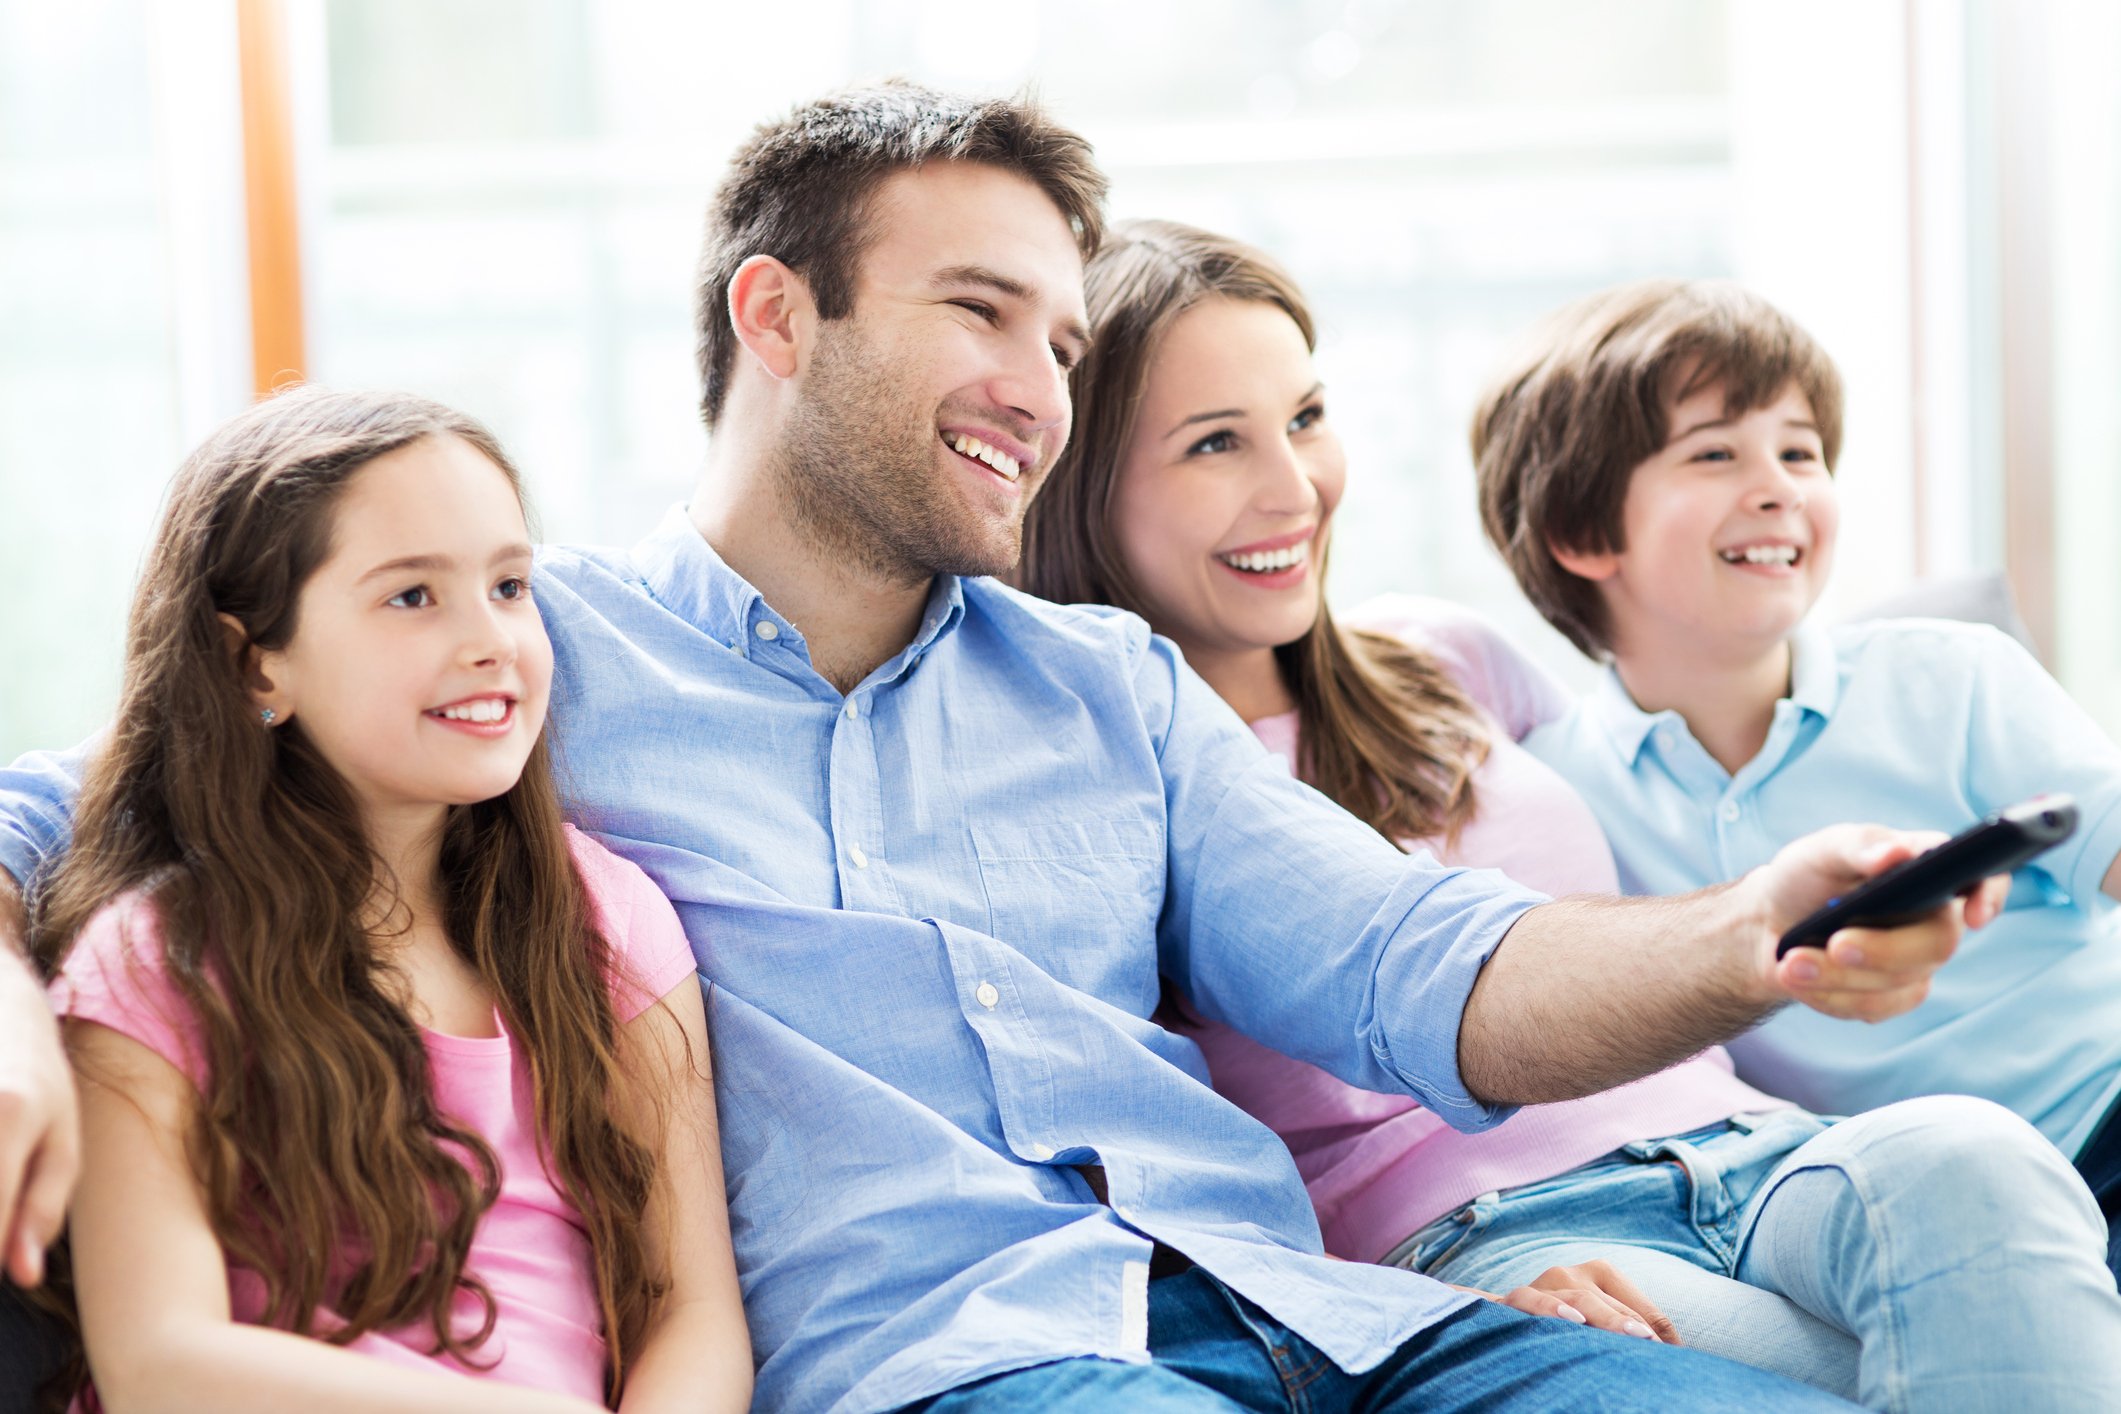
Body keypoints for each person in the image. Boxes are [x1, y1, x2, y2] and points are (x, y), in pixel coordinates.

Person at [0, 85, 2001, 1414]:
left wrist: (1747, 931)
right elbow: (79, 798)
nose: (1041, 388)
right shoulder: (527, 655)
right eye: (983, 313)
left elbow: (1421, 967)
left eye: (1061, 339)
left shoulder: (1109, 687)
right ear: (775, 315)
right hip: (974, 1360)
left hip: (1322, 1318)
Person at [1015, 217, 2121, 1410]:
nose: (1295, 487)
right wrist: (1421, 1312)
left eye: (1306, 418)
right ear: (1085, 479)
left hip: (1753, 1147)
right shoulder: (1094, 802)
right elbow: (1152, 1163)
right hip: (1503, 1238)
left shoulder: (1445, 660)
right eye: (1214, 443)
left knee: (1976, 1160)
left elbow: (1669, 743)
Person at [22, 389, 750, 1412]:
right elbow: (160, 1360)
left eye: (509, 585)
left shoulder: (607, 917)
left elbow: (693, 1315)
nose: (490, 638)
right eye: (414, 596)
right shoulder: (153, 965)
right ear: (252, 664)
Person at [1472, 278, 2121, 1276]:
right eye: (1716, 452)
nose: (1778, 484)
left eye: (1801, 450)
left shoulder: (1950, 675)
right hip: (1921, 1211)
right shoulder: (1558, 798)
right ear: (1582, 531)